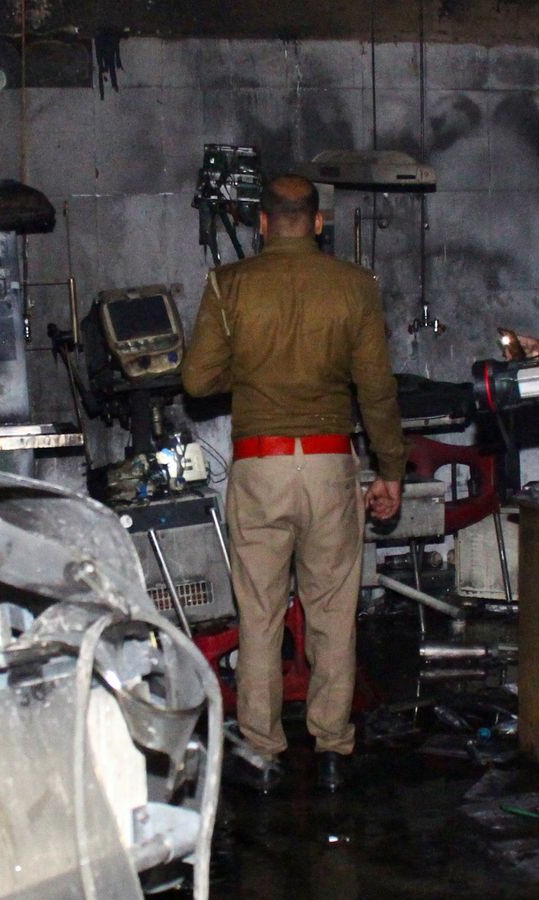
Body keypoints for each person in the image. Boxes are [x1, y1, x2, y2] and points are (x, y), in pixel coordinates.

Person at [181, 174, 406, 793]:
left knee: (259, 615)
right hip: (332, 465)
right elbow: (378, 391)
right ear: (317, 223)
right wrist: (390, 469)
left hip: (260, 464)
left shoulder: (229, 286)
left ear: (260, 223)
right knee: (334, 612)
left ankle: (264, 752)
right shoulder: (355, 287)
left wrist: (249, 366)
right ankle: (333, 750)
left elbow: (197, 382)